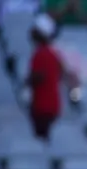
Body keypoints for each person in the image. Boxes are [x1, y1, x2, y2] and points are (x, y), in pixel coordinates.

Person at [26, 13, 62, 142]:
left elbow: (39, 76)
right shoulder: (52, 52)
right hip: (51, 105)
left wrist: (28, 81)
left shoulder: (41, 53)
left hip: (43, 106)